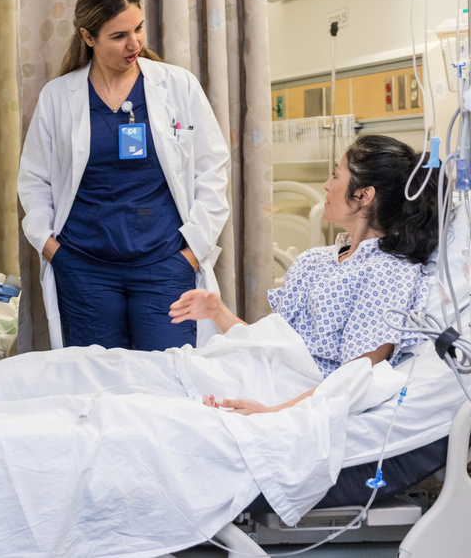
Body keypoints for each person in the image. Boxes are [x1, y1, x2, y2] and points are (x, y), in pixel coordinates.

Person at [18, 0, 231, 351]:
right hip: (84, 268)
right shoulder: (58, 96)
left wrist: (192, 253)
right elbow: (34, 180)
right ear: (88, 37)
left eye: (138, 28)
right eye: (118, 36)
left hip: (165, 265)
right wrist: (52, 248)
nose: (134, 44)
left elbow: (212, 170)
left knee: (169, 377)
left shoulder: (178, 86)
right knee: (101, 385)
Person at [170, 134, 437, 414]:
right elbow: (274, 348)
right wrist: (217, 312)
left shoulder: (389, 273)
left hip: (292, 397)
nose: (327, 185)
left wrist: (273, 412)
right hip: (257, 377)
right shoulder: (313, 262)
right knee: (141, 381)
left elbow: (354, 378)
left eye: (335, 176)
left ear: (363, 195)